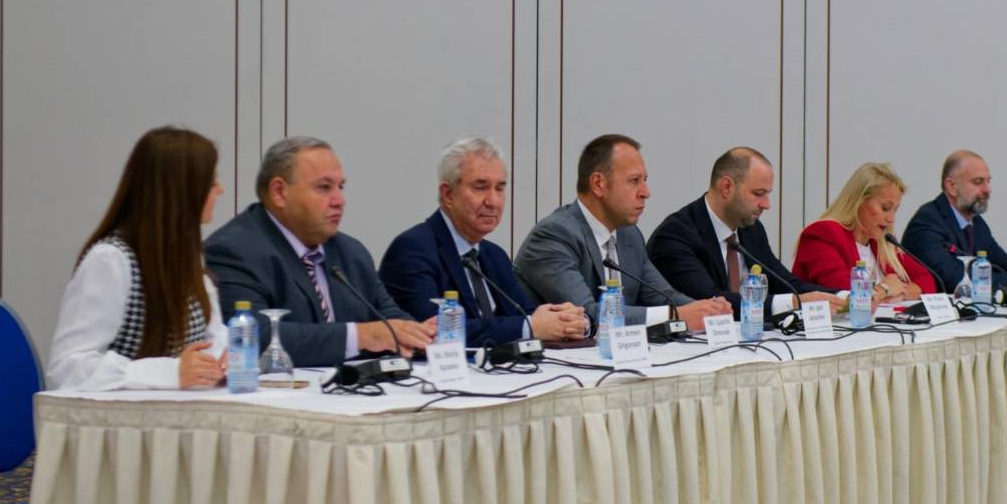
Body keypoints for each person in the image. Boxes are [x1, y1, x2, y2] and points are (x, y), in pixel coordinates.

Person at [204, 135, 435, 367]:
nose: (339, 200)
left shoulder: (351, 252)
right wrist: (362, 336)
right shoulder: (233, 251)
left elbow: (388, 317)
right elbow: (251, 338)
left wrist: (421, 334)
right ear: (279, 192)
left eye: (340, 187)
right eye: (324, 187)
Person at [47, 126, 229, 390]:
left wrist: (224, 362)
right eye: (211, 183)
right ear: (183, 192)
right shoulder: (110, 261)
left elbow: (214, 338)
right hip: (120, 414)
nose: (221, 190)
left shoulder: (188, 258)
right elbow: (67, 368)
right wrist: (169, 372)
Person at [378, 136, 589, 345]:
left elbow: (527, 314)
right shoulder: (412, 250)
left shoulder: (494, 255)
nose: (493, 201)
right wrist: (528, 327)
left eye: (499, 188)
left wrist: (565, 321)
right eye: (480, 187)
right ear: (448, 194)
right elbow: (432, 331)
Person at [514, 133, 731, 330]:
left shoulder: (629, 235)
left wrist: (706, 310)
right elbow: (588, 314)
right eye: (634, 181)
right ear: (598, 184)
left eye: (645, 180)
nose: (646, 192)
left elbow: (663, 296)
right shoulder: (554, 235)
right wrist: (675, 315)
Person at [647, 146, 845, 316]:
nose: (766, 205)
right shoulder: (675, 236)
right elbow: (710, 299)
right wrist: (793, 303)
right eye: (758, 194)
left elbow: (785, 282)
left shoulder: (751, 229)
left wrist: (843, 296)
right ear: (727, 187)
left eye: (768, 194)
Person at [901, 149, 1007, 295]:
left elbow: (1003, 261)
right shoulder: (927, 222)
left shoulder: (975, 221)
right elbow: (954, 279)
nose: (988, 189)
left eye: (988, 181)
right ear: (952, 186)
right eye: (978, 182)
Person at [791, 162, 938, 304]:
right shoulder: (823, 234)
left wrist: (904, 292)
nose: (891, 219)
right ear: (859, 201)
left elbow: (927, 279)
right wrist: (885, 289)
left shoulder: (882, 243)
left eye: (895, 210)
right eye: (885, 208)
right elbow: (843, 293)